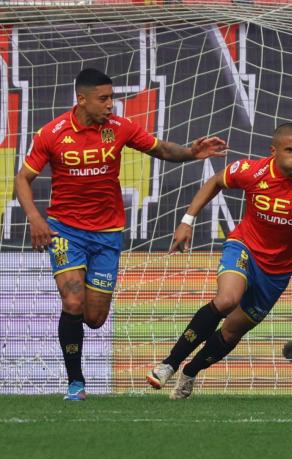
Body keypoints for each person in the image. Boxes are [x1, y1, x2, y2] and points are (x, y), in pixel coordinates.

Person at [14, 68, 227, 400]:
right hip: (65, 231)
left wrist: (191, 152)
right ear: (81, 99)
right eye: (103, 98)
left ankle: (76, 337)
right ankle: (76, 384)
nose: (111, 104)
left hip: (107, 233)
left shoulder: (120, 128)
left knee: (95, 318)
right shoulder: (52, 133)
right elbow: (22, 179)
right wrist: (34, 217)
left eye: (112, 97)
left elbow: (161, 150)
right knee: (72, 302)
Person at [146, 124, 292, 399]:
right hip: (244, 247)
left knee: (232, 331)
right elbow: (215, 181)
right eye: (290, 150)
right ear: (274, 151)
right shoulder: (252, 171)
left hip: (278, 270)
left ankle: (190, 373)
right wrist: (187, 221)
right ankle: (169, 364)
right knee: (227, 300)